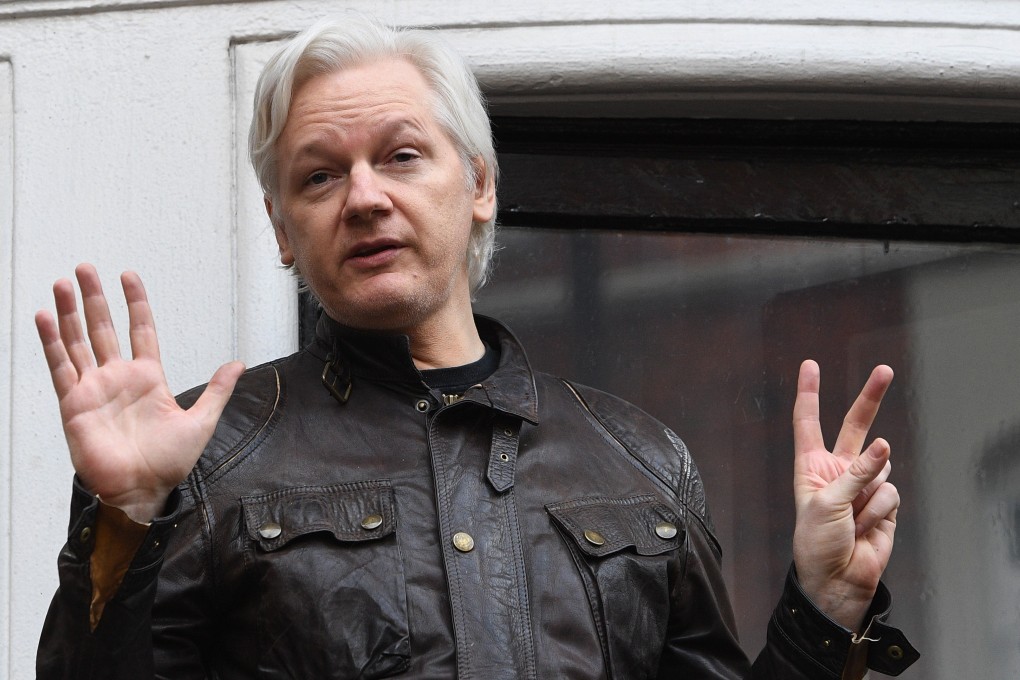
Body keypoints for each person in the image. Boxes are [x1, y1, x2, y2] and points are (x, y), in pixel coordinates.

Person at [34, 15, 917, 679]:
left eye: (402, 156)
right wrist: (126, 518)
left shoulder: (642, 461)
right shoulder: (208, 455)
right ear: (282, 229)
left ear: (481, 184)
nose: (365, 197)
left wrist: (825, 609)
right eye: (320, 175)